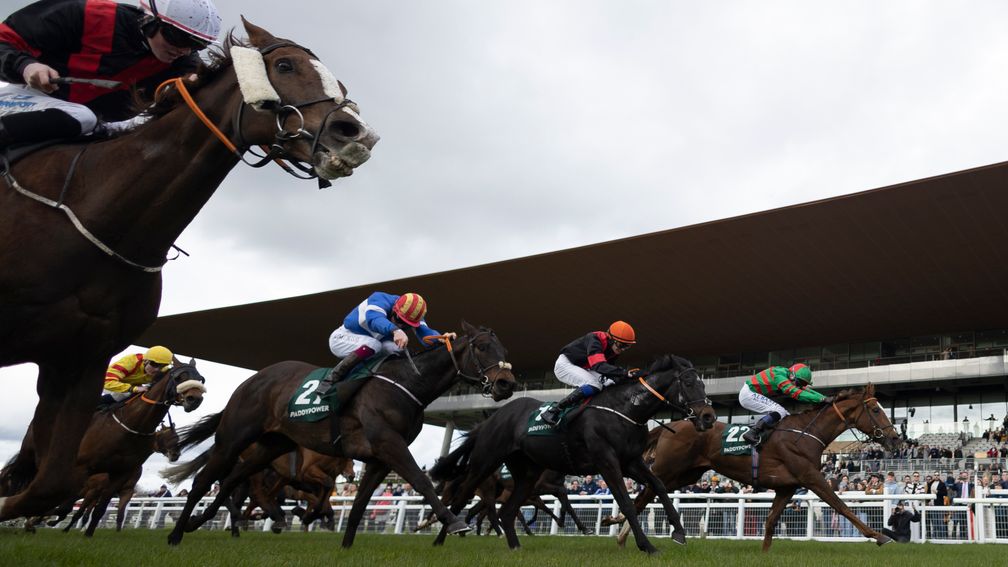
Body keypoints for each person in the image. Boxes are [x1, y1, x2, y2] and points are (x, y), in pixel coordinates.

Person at [0, 0, 220, 148]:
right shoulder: (87, 14)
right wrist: (26, 66)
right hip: (23, 99)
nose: (184, 50)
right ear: (151, 20)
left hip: (95, 123)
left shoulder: (183, 63)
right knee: (83, 116)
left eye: (197, 45)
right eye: (179, 38)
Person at [315, 292, 453, 398]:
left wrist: (440, 338)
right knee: (374, 344)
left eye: (407, 324)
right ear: (394, 308)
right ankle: (331, 379)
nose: (401, 324)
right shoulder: (379, 299)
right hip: (342, 339)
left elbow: (426, 335)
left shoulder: (414, 315)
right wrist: (396, 330)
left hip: (370, 344)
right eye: (399, 319)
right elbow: (374, 320)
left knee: (396, 349)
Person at [540, 321, 639, 426]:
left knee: (610, 383)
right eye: (621, 345)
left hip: (584, 367)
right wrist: (624, 373)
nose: (622, 349)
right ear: (610, 339)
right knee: (594, 384)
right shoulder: (594, 339)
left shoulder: (614, 350)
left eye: (626, 347)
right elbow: (599, 366)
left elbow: (609, 372)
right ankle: (554, 411)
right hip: (565, 364)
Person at [740, 362, 830, 446]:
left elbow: (807, 390)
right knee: (780, 411)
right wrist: (822, 399)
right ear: (792, 375)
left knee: (785, 414)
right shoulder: (779, 375)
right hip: (748, 394)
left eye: (803, 383)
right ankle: (752, 432)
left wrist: (825, 397)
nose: (799, 386)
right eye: (800, 383)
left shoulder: (788, 375)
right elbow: (797, 393)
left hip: (752, 393)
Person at [101, 345, 173, 403]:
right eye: (154, 364)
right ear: (146, 360)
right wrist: (133, 388)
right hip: (106, 382)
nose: (157, 369)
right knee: (125, 394)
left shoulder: (163, 370)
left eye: (162, 365)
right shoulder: (130, 362)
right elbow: (107, 382)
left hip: (132, 386)